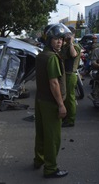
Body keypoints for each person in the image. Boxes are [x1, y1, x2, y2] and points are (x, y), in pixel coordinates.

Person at [34, 23, 70, 178]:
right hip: (51, 103)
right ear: (49, 40)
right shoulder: (52, 58)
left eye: (61, 39)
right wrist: (61, 105)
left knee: (41, 133)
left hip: (40, 100)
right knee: (52, 137)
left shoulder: (41, 55)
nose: (60, 42)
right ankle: (50, 168)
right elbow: (54, 82)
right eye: (56, 39)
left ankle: (39, 160)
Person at [60, 26, 81, 127]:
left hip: (70, 75)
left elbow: (73, 55)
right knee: (64, 97)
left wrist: (71, 42)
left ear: (73, 35)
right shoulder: (65, 46)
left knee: (70, 98)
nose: (67, 37)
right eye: (66, 35)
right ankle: (65, 117)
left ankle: (71, 120)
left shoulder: (75, 46)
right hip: (64, 75)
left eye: (69, 35)